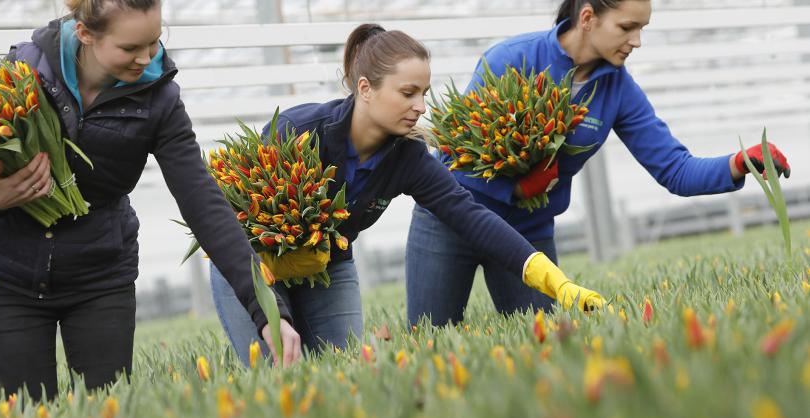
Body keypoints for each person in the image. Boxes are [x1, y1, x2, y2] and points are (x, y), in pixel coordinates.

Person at [0, 0, 301, 401]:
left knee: (109, 407)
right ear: (85, 34)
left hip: (99, 276)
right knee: (26, 411)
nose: (147, 58)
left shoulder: (159, 100)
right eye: (130, 49)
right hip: (6, 273)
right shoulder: (22, 74)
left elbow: (202, 202)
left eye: (154, 42)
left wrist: (266, 308)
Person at [210, 23, 606, 368]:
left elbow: (469, 215)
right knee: (278, 369)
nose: (420, 107)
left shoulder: (409, 157)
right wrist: (273, 313)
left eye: (424, 93)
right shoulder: (299, 130)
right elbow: (234, 229)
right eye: (408, 93)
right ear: (365, 88)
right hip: (251, 267)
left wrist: (555, 282)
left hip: (328, 268)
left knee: (345, 369)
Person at [405, 0, 791, 327]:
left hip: (527, 233)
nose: (636, 41)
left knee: (541, 346)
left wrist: (740, 162)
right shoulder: (512, 58)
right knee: (431, 340)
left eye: (642, 29)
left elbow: (675, 168)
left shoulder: (618, 89)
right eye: (627, 27)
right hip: (450, 222)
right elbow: (455, 155)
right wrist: (515, 188)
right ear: (588, 18)